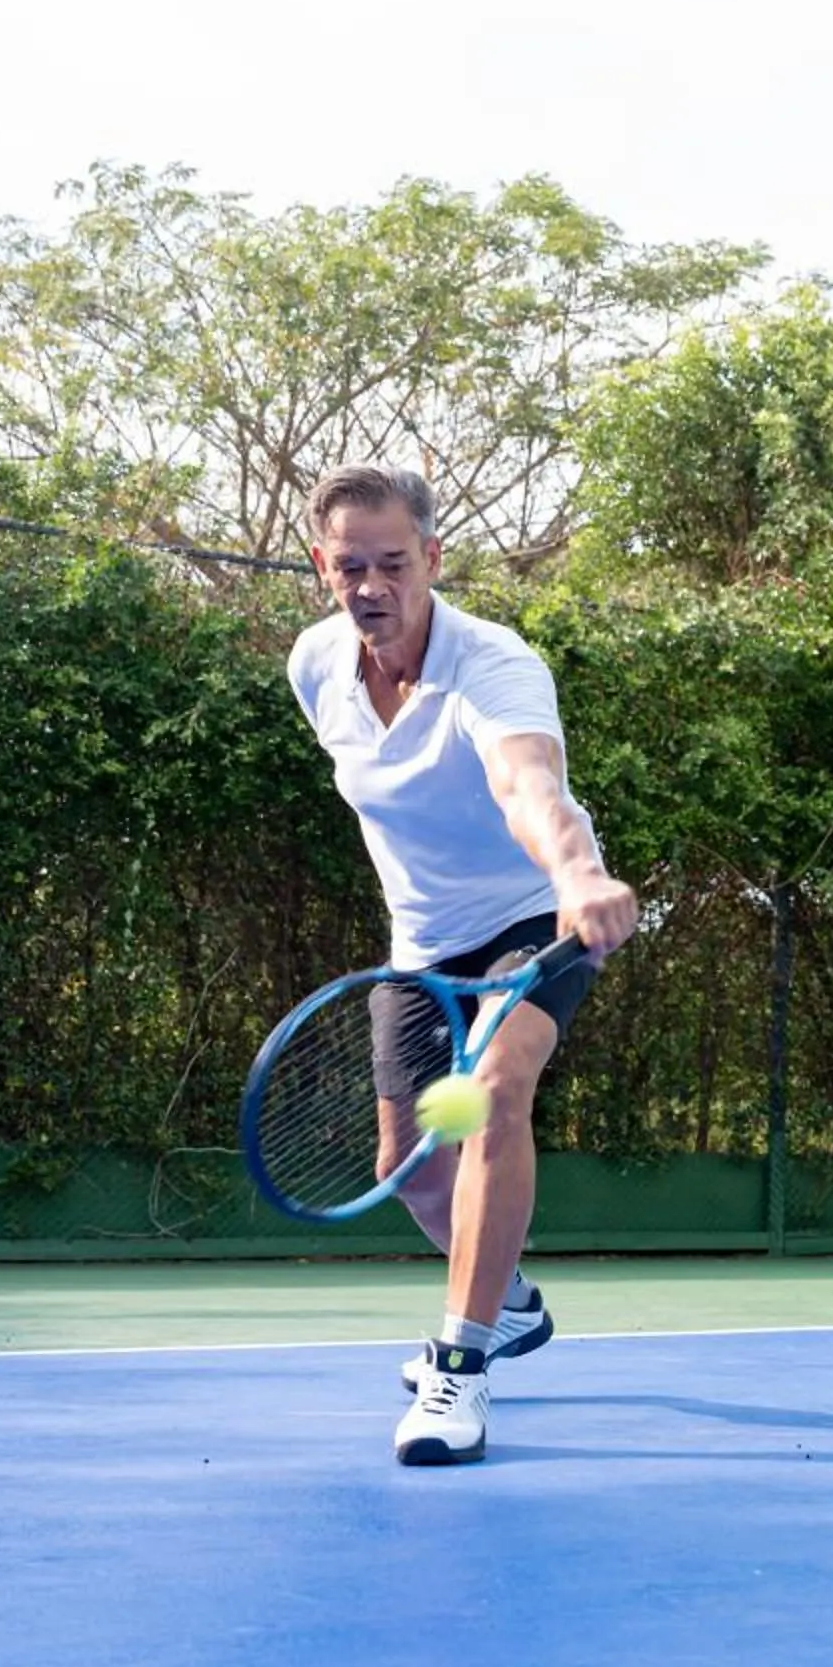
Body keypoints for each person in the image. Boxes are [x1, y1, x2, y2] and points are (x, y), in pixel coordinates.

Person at [285, 462, 639, 1465]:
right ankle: (513, 1300)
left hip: (539, 914)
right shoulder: (316, 666)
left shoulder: (495, 666)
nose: (372, 585)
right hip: (422, 941)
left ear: (432, 558)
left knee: (492, 1086)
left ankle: (460, 1365)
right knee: (406, 1165)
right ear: (323, 566)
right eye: (350, 565)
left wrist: (579, 873)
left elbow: (526, 782)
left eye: (393, 562)